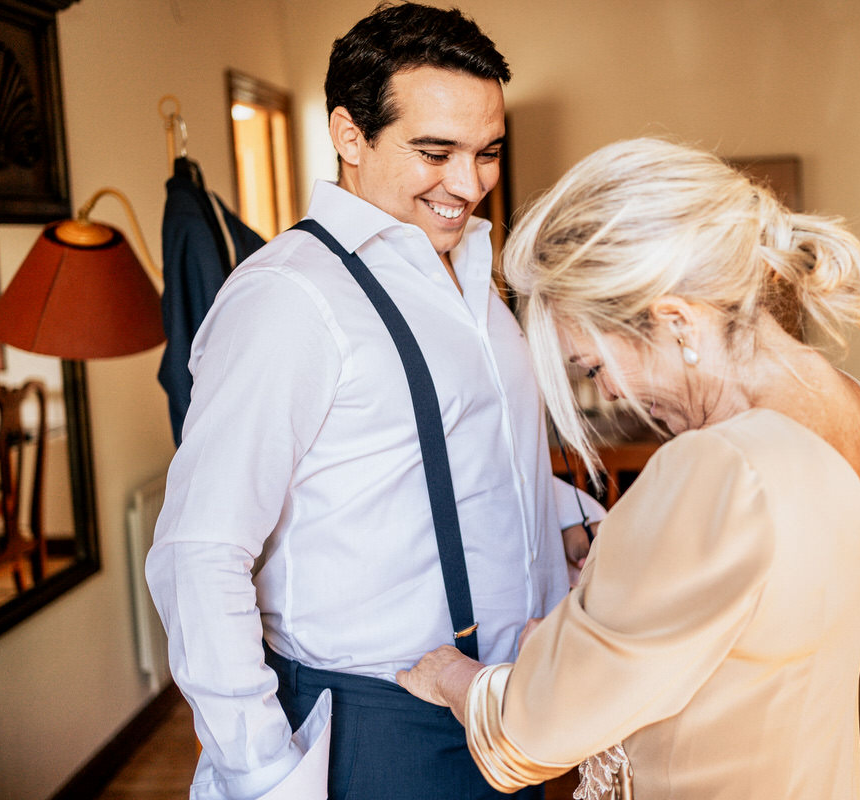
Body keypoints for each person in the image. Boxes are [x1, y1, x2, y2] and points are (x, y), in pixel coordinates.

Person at [146, 4, 601, 799]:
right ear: (350, 135)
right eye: (436, 152)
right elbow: (198, 554)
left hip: (506, 706)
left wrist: (559, 518)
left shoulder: (468, 278)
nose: (468, 184)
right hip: (378, 729)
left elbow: (462, 450)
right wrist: (263, 772)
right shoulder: (288, 300)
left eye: (486, 152)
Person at [397, 137, 860, 800]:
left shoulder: (718, 466)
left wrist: (450, 678)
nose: (607, 395)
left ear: (676, 321)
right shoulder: (848, 402)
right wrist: (624, 580)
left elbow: (534, 733)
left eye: (595, 368)